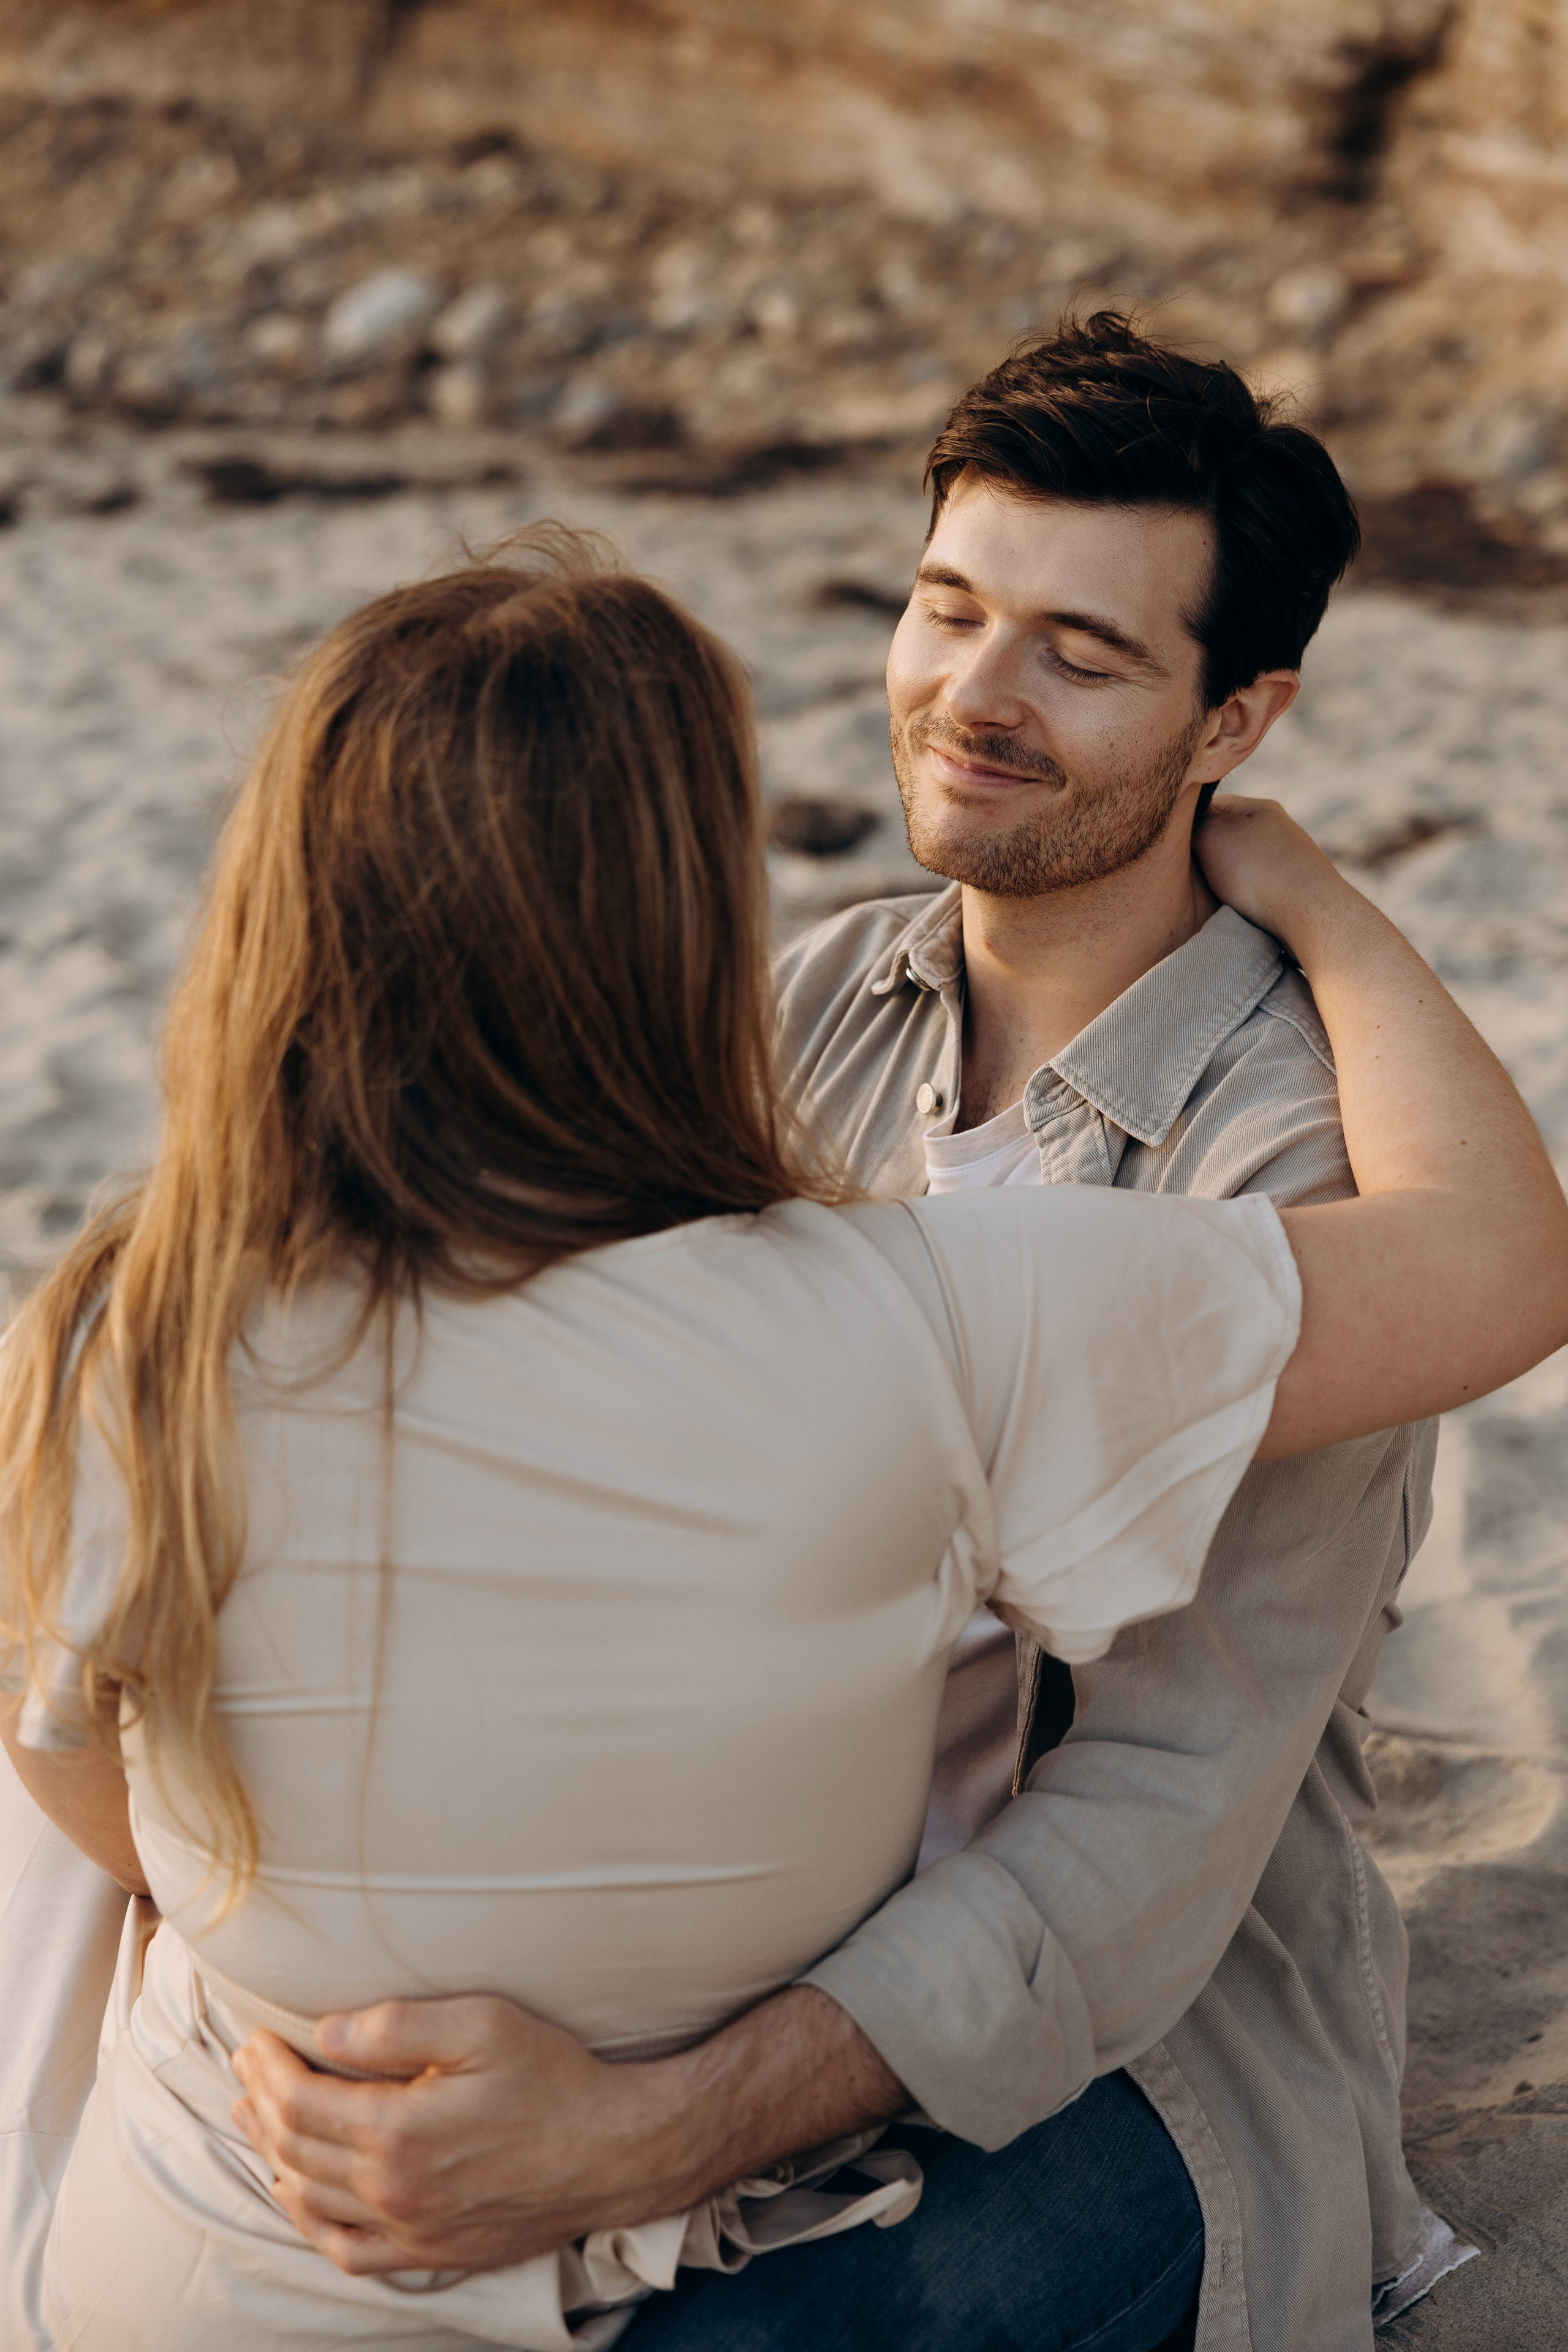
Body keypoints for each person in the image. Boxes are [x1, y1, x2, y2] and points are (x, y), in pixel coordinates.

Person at [227, 319, 1538, 2351]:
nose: (972, 699)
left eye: (1080, 656)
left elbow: (1151, 1828)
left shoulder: (1288, 1165)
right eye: (947, 610)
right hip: (723, 1914)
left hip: (1111, 2056)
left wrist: (654, 2132)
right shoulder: (820, 994)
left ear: (1233, 721)